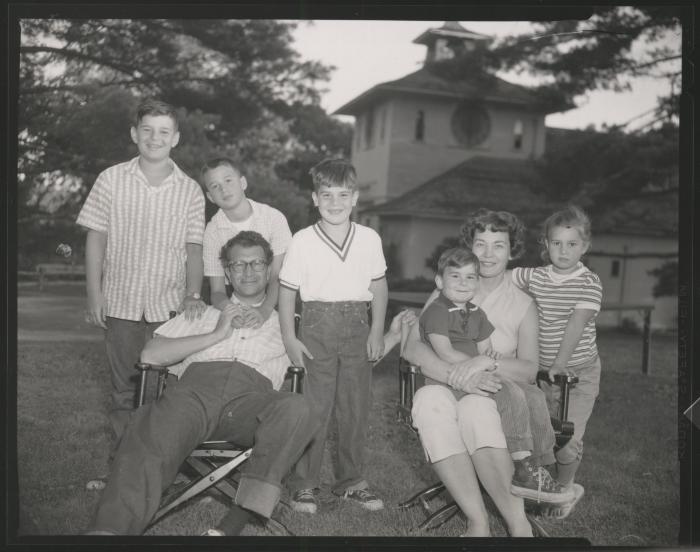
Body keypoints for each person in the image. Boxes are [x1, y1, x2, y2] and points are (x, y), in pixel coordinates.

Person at [85, 231, 314, 536]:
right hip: (193, 397)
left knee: (298, 407)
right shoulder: (200, 313)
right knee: (153, 425)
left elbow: (311, 369)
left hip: (250, 405)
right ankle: (110, 530)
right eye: (238, 265)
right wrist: (216, 334)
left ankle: (234, 521)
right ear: (228, 274)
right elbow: (150, 353)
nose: (248, 271)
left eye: (257, 263)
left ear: (270, 269)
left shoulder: (284, 323)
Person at [77, 99, 206, 466]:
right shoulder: (111, 178)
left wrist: (193, 294)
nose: (155, 137)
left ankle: (158, 467)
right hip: (120, 302)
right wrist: (94, 294)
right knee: (124, 390)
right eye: (147, 129)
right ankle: (123, 467)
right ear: (135, 134)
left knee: (165, 390)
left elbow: (193, 248)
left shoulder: (190, 190)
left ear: (176, 138)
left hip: (169, 307)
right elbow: (96, 239)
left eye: (164, 131)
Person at [404, 208, 541, 537]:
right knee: (429, 405)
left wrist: (485, 363)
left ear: (513, 250)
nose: (489, 254)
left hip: (493, 389)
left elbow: (529, 369)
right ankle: (476, 519)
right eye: (481, 244)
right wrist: (454, 374)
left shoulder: (522, 304)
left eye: (499, 245)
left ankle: (517, 522)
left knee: (475, 410)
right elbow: (412, 347)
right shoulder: (451, 287)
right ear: (469, 247)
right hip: (443, 379)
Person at [418, 246, 573, 504]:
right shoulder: (437, 311)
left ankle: (541, 466)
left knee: (533, 394)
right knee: (509, 391)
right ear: (439, 281)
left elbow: (487, 350)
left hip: (478, 373)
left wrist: (488, 360)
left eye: (470, 277)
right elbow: (444, 352)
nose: (463, 283)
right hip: (452, 380)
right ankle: (522, 464)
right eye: (455, 276)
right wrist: (480, 363)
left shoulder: (477, 313)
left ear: (477, 282)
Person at [279, 158, 389, 514]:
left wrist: (377, 330)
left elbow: (379, 286)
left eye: (343, 195)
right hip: (316, 327)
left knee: (354, 408)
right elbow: (286, 293)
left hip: (358, 324)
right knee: (315, 409)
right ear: (315, 198)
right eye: (327, 195)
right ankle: (303, 484)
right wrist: (289, 337)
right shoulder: (303, 240)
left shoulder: (369, 238)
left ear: (355, 198)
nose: (336, 202)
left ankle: (351, 481)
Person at [511, 205, 602, 518]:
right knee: (544, 435)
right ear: (545, 245)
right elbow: (499, 277)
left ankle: (564, 488)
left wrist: (560, 363)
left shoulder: (589, 283)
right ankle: (545, 486)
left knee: (568, 437)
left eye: (572, 244)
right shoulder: (535, 276)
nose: (564, 251)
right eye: (557, 243)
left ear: (585, 247)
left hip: (578, 371)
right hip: (543, 373)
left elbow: (576, 325)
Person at [201, 157, 292, 325]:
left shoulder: (274, 218)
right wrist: (231, 310)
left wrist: (264, 311)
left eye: (228, 180)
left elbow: (278, 277)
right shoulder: (212, 232)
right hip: (234, 298)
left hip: (277, 299)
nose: (224, 189)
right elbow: (217, 291)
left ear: (243, 182)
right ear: (210, 197)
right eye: (215, 186)